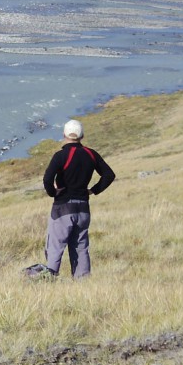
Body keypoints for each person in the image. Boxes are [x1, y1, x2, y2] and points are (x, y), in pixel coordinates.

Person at [41, 119, 115, 278]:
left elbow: (47, 179)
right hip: (83, 208)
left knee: (55, 247)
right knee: (80, 248)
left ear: (64, 135)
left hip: (63, 208)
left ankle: (49, 281)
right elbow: (109, 175)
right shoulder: (91, 154)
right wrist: (93, 191)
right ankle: (83, 284)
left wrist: (53, 193)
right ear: (82, 136)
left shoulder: (60, 155)